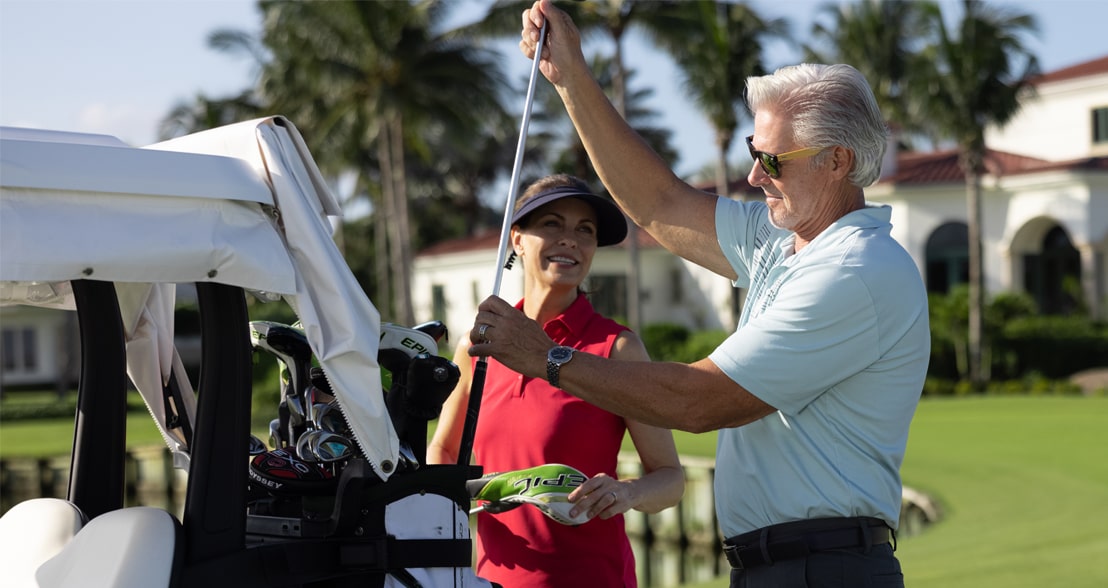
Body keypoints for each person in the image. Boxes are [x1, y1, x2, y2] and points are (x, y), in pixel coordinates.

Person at [465, 2, 932, 587]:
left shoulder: (855, 271)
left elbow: (701, 401)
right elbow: (659, 205)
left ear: (837, 161)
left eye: (772, 160)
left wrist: (545, 358)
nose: (756, 176)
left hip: (824, 566)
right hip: (786, 565)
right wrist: (571, 78)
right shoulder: (783, 238)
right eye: (752, 152)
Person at [427, 174, 685, 588]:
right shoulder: (478, 345)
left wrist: (626, 493)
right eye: (552, 224)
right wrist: (453, 501)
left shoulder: (616, 349)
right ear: (517, 240)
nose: (571, 240)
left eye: (585, 231)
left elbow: (670, 477)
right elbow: (444, 448)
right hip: (490, 581)